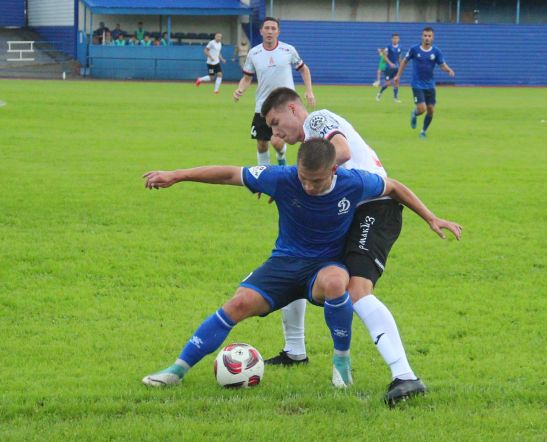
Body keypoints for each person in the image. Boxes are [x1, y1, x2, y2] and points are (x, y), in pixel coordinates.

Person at [141, 139, 456, 392]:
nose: (308, 187)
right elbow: (228, 174)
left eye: (316, 181)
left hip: (325, 266)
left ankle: (341, 363)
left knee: (336, 283)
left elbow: (394, 187)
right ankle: (177, 370)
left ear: (334, 169)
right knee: (237, 303)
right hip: (284, 262)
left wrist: (431, 218)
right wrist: (177, 175)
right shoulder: (282, 178)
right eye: (303, 178)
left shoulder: (354, 182)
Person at [260, 87, 463, 405]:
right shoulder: (313, 145)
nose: (275, 132)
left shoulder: (318, 119)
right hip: (351, 211)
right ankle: (296, 350)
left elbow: (340, 151)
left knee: (357, 290)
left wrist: (299, 181)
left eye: (275, 122)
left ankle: (405, 376)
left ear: (292, 109)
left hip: (375, 208)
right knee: (296, 265)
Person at [233, 17, 315, 167]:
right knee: (262, 144)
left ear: (278, 32)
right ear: (261, 31)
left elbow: (304, 69)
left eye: (273, 28)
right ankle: (263, 174)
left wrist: (309, 91)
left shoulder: (288, 50)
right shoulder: (254, 53)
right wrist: (240, 89)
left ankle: (281, 157)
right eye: (267, 28)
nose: (270, 31)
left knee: (277, 142)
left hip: (285, 106)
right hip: (262, 106)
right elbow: (246, 78)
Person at [394, 27, 455, 139]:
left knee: (431, 110)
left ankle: (423, 132)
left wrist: (449, 70)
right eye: (425, 36)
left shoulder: (436, 51)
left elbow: (442, 65)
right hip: (417, 84)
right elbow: (404, 61)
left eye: (429, 36)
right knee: (422, 109)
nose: (427, 38)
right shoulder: (414, 49)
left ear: (433, 37)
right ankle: (415, 113)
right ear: (422, 36)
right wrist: (398, 75)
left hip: (430, 85)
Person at [376, 33, 402, 103]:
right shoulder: (388, 47)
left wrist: (401, 65)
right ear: (392, 39)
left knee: (396, 81)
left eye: (397, 38)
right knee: (388, 83)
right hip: (388, 68)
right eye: (394, 38)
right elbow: (384, 56)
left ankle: (395, 98)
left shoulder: (400, 47)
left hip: (396, 67)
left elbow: (399, 57)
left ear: (398, 39)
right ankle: (379, 93)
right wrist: (390, 63)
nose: (395, 40)